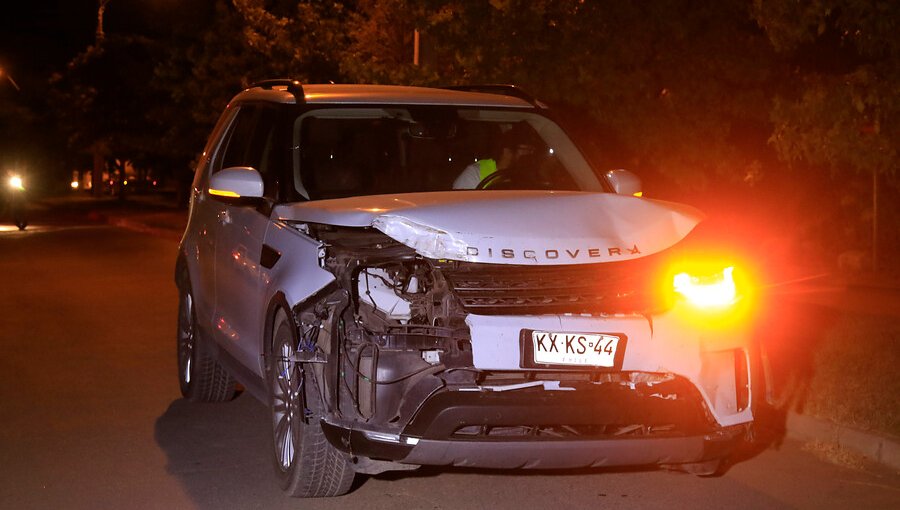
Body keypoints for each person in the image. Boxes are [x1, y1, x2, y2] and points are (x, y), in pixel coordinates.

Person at [453, 127, 532, 190]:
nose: (529, 154)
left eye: (531, 150)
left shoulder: (528, 176)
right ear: (507, 151)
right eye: (525, 150)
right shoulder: (474, 173)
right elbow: (460, 204)